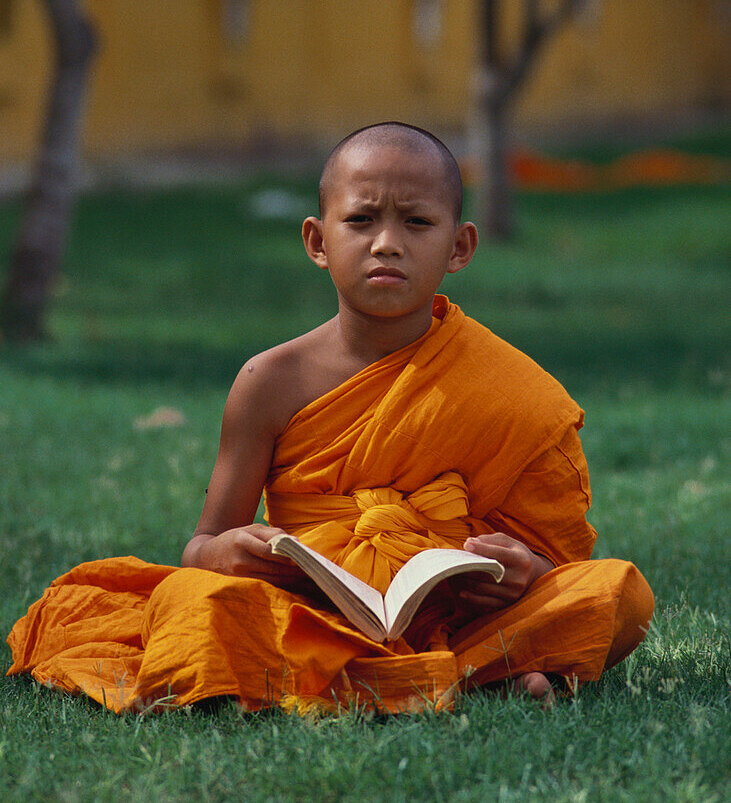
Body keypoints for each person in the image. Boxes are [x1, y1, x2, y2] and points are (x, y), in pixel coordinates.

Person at [8, 123, 654, 713]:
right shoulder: (270, 381)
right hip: (309, 609)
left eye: (417, 223)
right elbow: (202, 546)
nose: (386, 243)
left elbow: (555, 561)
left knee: (613, 593)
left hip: (458, 614)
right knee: (197, 601)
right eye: (362, 219)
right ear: (318, 241)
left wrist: (526, 575)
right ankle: (467, 678)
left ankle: (365, 678)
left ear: (458, 246)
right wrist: (227, 552)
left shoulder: (514, 389)